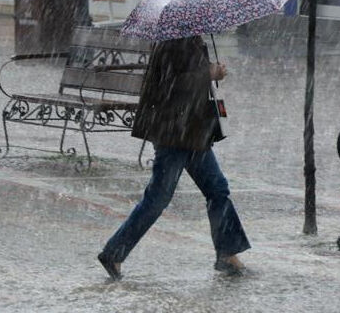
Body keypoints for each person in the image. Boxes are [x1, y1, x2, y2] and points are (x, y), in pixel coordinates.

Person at [97, 36, 250, 280]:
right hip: (174, 134)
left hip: (192, 133)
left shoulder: (188, 38)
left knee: (217, 189)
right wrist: (208, 73)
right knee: (158, 198)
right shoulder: (172, 41)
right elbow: (171, 84)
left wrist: (210, 72)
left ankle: (227, 254)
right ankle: (114, 252)